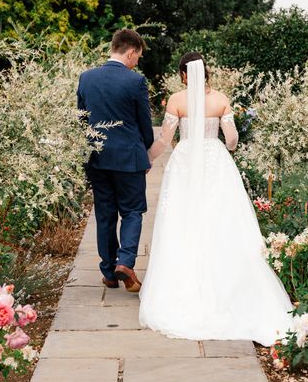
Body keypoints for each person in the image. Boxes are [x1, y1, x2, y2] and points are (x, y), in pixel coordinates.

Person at [139, 53, 294, 346]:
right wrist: (222, 145)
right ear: (206, 72)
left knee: (182, 220)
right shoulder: (221, 99)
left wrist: (146, 161)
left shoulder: (176, 100)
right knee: (221, 218)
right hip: (215, 161)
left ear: (184, 75)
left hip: (185, 160)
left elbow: (164, 140)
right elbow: (232, 139)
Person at [77, 29, 153, 293]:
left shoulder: (86, 78)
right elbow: (145, 124)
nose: (137, 63)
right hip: (128, 158)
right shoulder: (135, 82)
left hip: (97, 157)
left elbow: (82, 120)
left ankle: (109, 272)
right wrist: (145, 150)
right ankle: (126, 262)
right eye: (138, 57)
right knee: (132, 211)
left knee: (105, 214)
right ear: (130, 52)